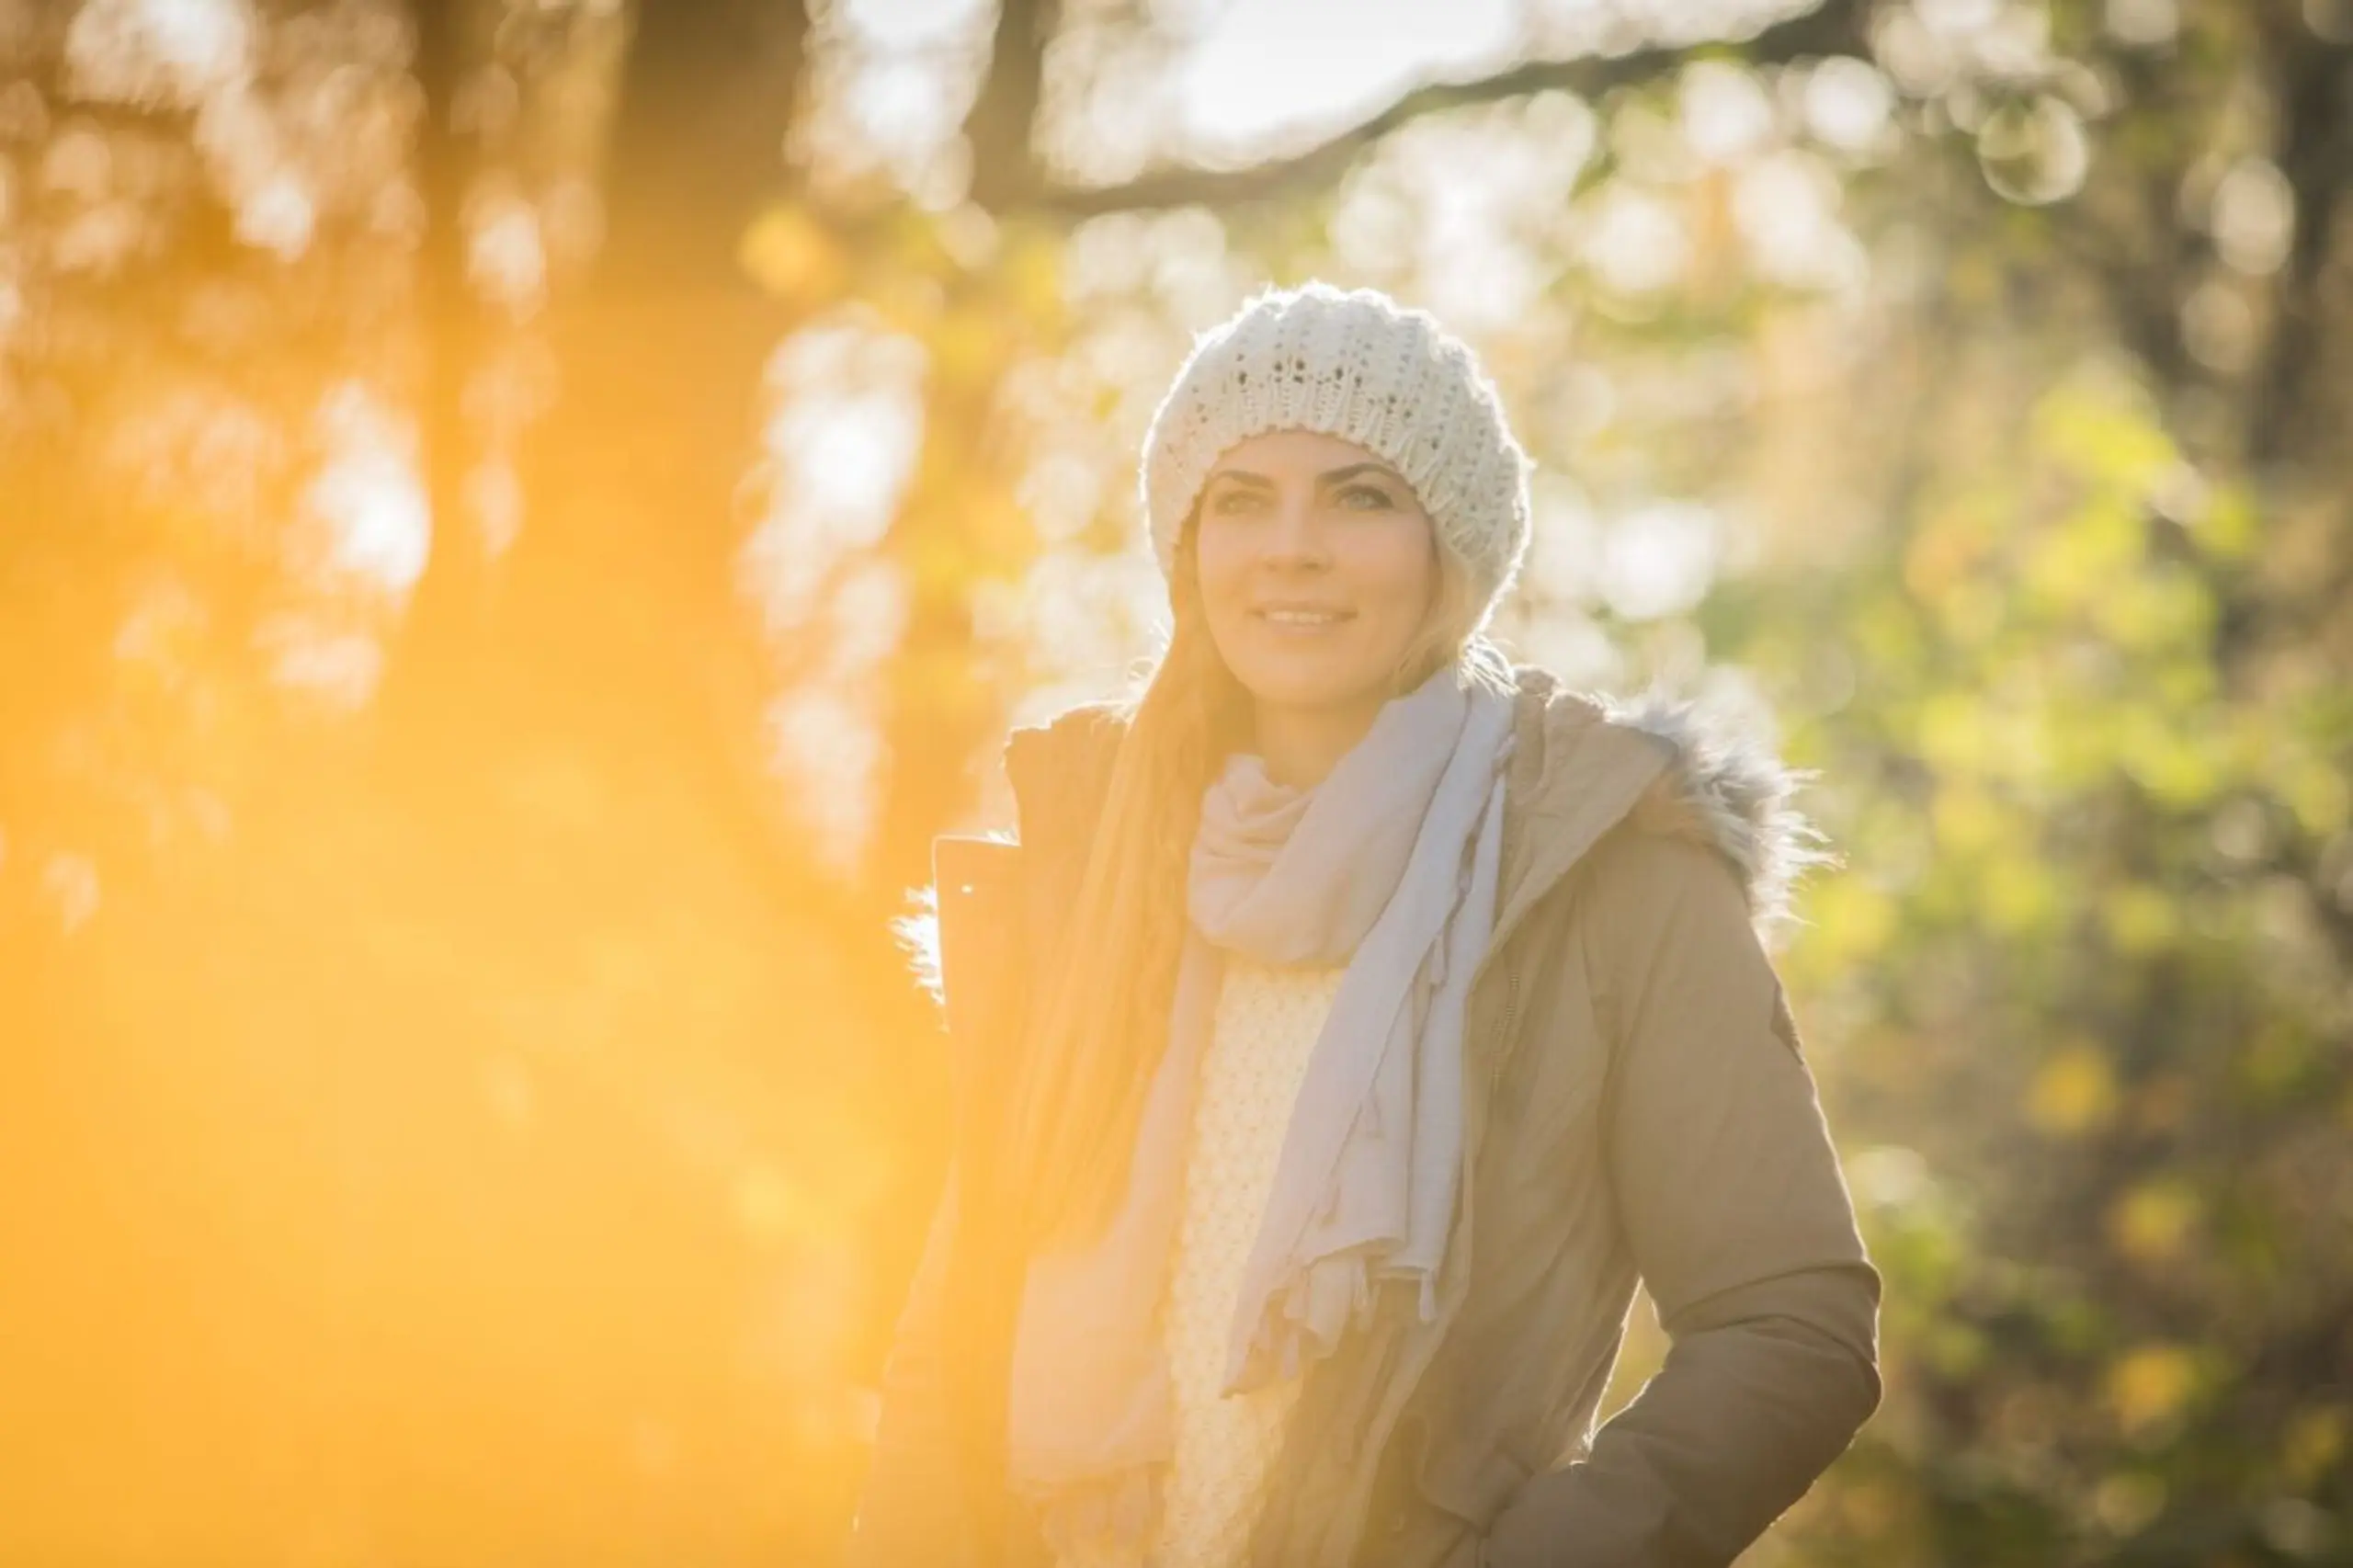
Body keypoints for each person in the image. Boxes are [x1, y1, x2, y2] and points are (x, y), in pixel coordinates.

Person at [847, 282, 1881, 1568]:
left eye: (1360, 495)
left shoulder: (1605, 874)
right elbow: (951, 1338)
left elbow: (1790, 1326)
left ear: (1450, 550)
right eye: (1241, 499)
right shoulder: (1099, 865)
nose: (1292, 546)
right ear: (1187, 548)